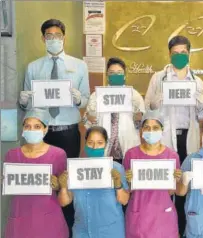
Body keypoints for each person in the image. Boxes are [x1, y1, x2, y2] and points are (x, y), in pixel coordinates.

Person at [18, 19, 90, 235]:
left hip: (68, 132)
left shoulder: (79, 66)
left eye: (58, 35)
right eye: (49, 36)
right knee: (43, 183)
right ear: (43, 38)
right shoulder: (33, 67)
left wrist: (78, 99)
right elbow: (27, 104)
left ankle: (66, 228)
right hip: (41, 135)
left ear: (64, 37)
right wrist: (23, 101)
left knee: (66, 182)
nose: (54, 39)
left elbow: (85, 100)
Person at [144, 35, 203, 237]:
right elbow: (148, 110)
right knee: (167, 183)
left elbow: (202, 115)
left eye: (183, 52)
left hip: (187, 136)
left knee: (185, 181)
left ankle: (184, 228)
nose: (179, 56)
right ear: (169, 54)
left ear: (189, 53)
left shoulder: (197, 81)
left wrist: (200, 104)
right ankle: (165, 228)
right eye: (175, 52)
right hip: (165, 137)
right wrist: (155, 102)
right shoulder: (158, 77)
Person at [4, 108, 68, 238]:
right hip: (20, 218)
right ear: (23, 129)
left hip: (48, 219)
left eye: (37, 126)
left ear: (45, 129)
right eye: (27, 126)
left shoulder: (58, 154)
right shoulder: (12, 155)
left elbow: (65, 197)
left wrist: (60, 186)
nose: (31, 130)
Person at [57, 126, 129, 238]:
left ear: (106, 144)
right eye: (91, 142)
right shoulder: (75, 168)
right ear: (85, 143)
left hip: (111, 231)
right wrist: (63, 187)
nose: (95, 147)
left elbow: (124, 200)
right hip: (82, 230)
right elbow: (64, 202)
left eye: (99, 143)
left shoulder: (116, 168)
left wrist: (118, 185)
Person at [123, 110, 182, 238]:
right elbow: (127, 190)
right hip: (138, 215)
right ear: (141, 131)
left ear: (162, 130)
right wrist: (128, 179)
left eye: (155, 128)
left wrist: (176, 180)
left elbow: (171, 192)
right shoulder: (131, 155)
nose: (151, 131)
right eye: (147, 128)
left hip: (163, 216)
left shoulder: (171, 156)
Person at [83, 57, 145, 163]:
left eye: (119, 72)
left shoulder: (134, 95)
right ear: (107, 76)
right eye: (112, 73)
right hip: (103, 147)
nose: (116, 75)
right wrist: (89, 117)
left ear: (125, 76)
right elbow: (87, 122)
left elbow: (141, 123)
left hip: (127, 144)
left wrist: (138, 116)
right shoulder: (97, 95)